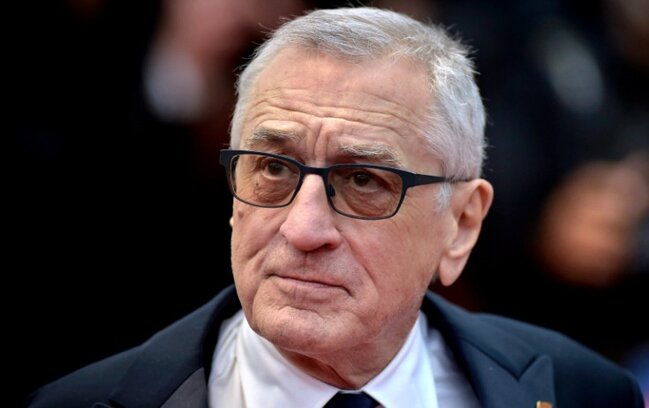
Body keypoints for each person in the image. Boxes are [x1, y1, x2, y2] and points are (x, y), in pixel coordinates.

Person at [27, 7, 643, 408]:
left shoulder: (582, 392)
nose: (303, 228)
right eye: (273, 168)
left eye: (364, 180)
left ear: (460, 225)